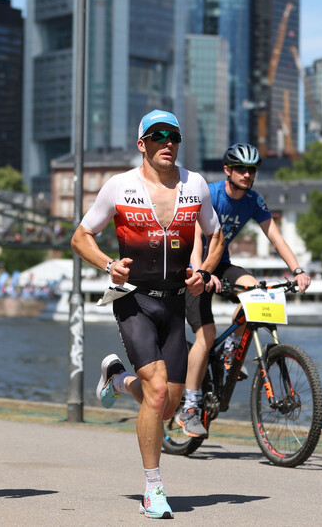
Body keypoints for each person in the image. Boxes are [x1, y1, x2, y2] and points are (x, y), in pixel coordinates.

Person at [71, 109, 223, 520]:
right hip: (132, 298)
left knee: (167, 405)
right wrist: (107, 265)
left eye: (173, 136)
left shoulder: (196, 186)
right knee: (157, 391)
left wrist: (205, 271)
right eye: (158, 136)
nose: (167, 143)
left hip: (174, 301)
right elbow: (81, 236)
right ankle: (153, 488)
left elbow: (216, 235)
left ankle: (118, 379)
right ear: (143, 144)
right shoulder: (119, 187)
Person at [177, 143, 311, 439]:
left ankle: (230, 350)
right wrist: (201, 274)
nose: (248, 174)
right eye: (242, 169)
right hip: (191, 267)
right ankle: (189, 406)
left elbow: (275, 237)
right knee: (206, 335)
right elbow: (196, 237)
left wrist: (298, 270)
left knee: (255, 288)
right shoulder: (210, 194)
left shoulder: (253, 200)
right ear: (228, 170)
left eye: (252, 170)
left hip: (220, 264)